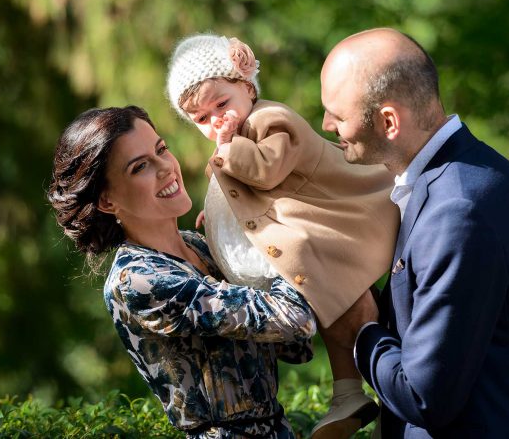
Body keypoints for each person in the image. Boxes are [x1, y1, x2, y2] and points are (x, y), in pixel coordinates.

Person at [319, 27, 509, 438]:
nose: (326, 124)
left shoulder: (457, 211)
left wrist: (363, 331)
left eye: (337, 115)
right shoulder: (472, 174)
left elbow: (424, 396)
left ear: (388, 121)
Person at [166, 33, 401, 438]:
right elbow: (242, 189)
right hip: (288, 249)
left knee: (348, 310)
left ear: (247, 86)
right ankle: (350, 393)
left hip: (323, 231)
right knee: (339, 314)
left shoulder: (269, 119)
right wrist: (218, 211)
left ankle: (371, 396)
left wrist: (225, 149)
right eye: (202, 119)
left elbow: (267, 169)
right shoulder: (236, 137)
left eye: (221, 104)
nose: (215, 120)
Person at [47, 105, 318, 438]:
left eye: (161, 150)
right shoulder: (138, 280)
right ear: (106, 201)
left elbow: (296, 346)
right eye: (140, 167)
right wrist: (280, 230)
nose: (166, 168)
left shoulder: (199, 245)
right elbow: (295, 318)